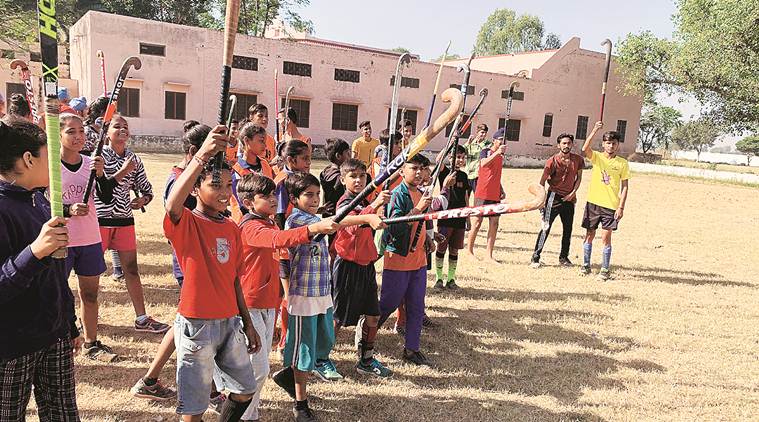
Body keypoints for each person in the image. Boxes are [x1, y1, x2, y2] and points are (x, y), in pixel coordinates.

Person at [164, 124, 261, 422]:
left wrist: (247, 321)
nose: (224, 193)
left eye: (228, 186)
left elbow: (234, 278)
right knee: (193, 411)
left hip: (230, 323)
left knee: (245, 389)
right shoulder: (187, 223)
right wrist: (202, 156)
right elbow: (171, 205)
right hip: (197, 325)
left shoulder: (232, 227)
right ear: (196, 188)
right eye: (215, 185)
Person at [273, 172, 378, 421]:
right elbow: (332, 223)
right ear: (294, 198)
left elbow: (330, 221)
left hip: (322, 295)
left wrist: (370, 216)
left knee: (323, 343)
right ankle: (301, 404)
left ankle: (289, 376)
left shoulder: (313, 216)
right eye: (308, 194)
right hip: (303, 298)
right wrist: (367, 216)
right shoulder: (297, 221)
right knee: (304, 351)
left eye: (317, 194)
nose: (314, 198)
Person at [236, 173, 339, 422]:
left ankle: (244, 409)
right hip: (250, 304)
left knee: (255, 365)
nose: (273, 200)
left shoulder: (269, 222)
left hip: (268, 301)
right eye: (265, 196)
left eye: (273, 194)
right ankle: (246, 416)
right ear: (249, 202)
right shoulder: (250, 227)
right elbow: (276, 241)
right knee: (256, 368)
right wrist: (314, 228)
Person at [0, 117, 81, 421]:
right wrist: (35, 251)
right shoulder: (3, 209)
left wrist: (69, 322)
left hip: (53, 334)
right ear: (28, 159)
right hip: (11, 345)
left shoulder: (41, 202)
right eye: (50, 155)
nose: (56, 164)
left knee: (63, 413)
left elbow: (57, 275)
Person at [95, 114, 169, 333]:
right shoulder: (98, 157)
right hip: (99, 220)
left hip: (125, 220)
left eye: (125, 126)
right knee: (92, 273)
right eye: (117, 126)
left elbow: (147, 189)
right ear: (106, 132)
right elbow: (102, 192)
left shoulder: (134, 159)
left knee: (131, 269)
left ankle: (142, 318)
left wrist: (143, 199)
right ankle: (87, 318)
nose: (122, 130)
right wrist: (124, 171)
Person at [59, 113, 118, 362]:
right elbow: (39, 200)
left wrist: (102, 174)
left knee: (90, 294)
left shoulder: (90, 163)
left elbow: (105, 197)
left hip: (89, 239)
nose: (78, 136)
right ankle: (59, 341)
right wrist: (67, 209)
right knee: (58, 294)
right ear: (58, 135)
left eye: (81, 131)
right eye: (71, 131)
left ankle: (91, 342)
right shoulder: (49, 166)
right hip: (61, 239)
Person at [332, 159, 392, 377]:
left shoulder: (365, 200)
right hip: (347, 265)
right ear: (342, 179)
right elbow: (352, 224)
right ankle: (321, 359)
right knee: (337, 318)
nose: (358, 180)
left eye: (362, 176)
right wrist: (374, 206)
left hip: (366, 265)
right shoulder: (344, 202)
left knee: (373, 316)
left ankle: (366, 360)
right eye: (352, 176)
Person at [377, 154, 434, 366]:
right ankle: (366, 334)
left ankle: (412, 349)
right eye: (414, 168)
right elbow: (396, 227)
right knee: (388, 305)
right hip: (399, 259)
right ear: (402, 171)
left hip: (419, 260)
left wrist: (428, 237)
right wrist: (419, 209)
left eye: (422, 168)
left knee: (417, 306)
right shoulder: (397, 195)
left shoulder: (420, 193)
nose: (418, 172)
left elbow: (419, 223)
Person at [273, 140, 312, 354]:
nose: (309, 162)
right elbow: (280, 217)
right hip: (286, 247)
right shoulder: (283, 183)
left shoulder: (298, 179)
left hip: (299, 243)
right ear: (291, 160)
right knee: (287, 295)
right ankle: (285, 340)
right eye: (305, 158)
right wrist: (284, 246)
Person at [580, 122, 630, 281]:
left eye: (614, 143)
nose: (611, 146)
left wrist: (620, 207)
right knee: (589, 234)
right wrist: (595, 129)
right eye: (608, 143)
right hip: (593, 203)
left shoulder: (622, 163)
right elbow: (584, 149)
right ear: (603, 144)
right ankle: (586, 265)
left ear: (618, 145)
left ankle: (605, 269)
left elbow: (625, 186)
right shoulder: (597, 157)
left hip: (611, 206)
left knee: (606, 238)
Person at [530, 133, 584, 268]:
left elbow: (579, 178)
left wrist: (573, 193)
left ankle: (564, 257)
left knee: (568, 229)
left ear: (572, 144)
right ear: (558, 145)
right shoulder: (552, 161)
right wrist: (541, 201)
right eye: (564, 143)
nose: (566, 146)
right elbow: (542, 181)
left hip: (569, 199)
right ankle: (535, 258)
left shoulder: (577, 160)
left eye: (569, 143)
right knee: (545, 227)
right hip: (553, 197)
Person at [467, 127, 506, 263]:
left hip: (495, 194)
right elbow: (483, 163)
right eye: (500, 140)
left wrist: (501, 188)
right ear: (494, 140)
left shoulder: (501, 156)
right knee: (477, 223)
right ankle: (469, 251)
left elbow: (495, 174)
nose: (502, 142)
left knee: (494, 223)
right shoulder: (486, 151)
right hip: (482, 192)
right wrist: (496, 154)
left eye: (504, 140)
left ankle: (488, 255)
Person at [434, 145, 470, 288]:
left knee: (454, 250)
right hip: (445, 218)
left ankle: (451, 279)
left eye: (462, 157)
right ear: (451, 157)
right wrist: (450, 146)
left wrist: (468, 217)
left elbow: (466, 197)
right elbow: (438, 160)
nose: (460, 160)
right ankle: (438, 279)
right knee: (441, 248)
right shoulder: (445, 173)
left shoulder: (464, 176)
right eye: (457, 157)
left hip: (459, 219)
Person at [230, 123, 275, 223]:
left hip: (267, 220)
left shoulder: (265, 164)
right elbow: (242, 204)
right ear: (246, 140)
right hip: (246, 222)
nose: (265, 145)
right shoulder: (237, 171)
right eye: (261, 141)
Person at [463, 123, 491, 199]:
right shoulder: (471, 143)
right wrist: (468, 143)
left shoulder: (488, 144)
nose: (484, 134)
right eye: (482, 132)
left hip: (478, 175)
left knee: (478, 197)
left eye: (485, 133)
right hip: (467, 174)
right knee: (464, 197)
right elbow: (462, 152)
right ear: (477, 132)